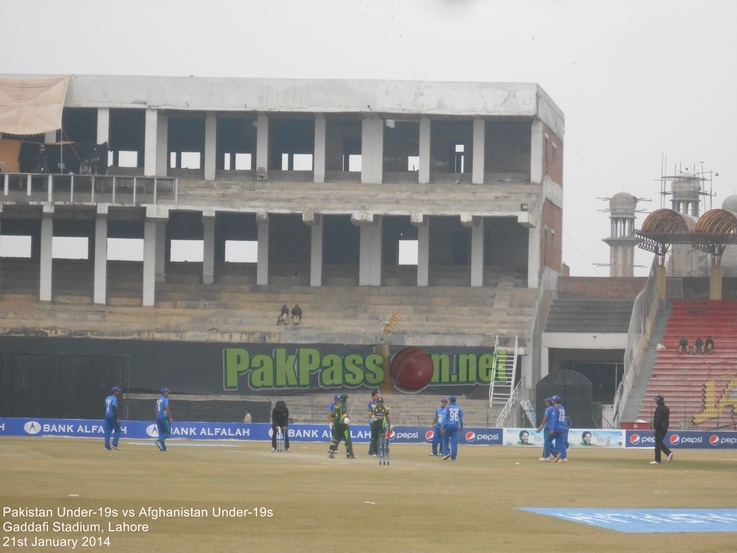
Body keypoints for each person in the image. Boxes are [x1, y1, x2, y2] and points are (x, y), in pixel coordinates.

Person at [328, 394, 356, 459]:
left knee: (336, 438)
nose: (346, 400)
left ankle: (330, 452)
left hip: (336, 424)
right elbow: (344, 413)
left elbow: (332, 415)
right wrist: (346, 419)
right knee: (347, 438)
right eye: (346, 399)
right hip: (343, 424)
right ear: (344, 400)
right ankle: (350, 454)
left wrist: (332, 422)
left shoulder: (336, 405)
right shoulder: (342, 405)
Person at [651, 394, 673, 465]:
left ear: (658, 401)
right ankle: (666, 455)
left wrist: (655, 429)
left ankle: (661, 457)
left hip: (660, 428)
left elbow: (657, 420)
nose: (656, 402)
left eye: (656, 401)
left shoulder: (659, 409)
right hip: (665, 427)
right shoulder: (666, 408)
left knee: (658, 443)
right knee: (659, 442)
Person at [441, 395, 463, 462]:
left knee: (445, 440)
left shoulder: (447, 408)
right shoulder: (459, 408)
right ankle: (454, 457)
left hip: (448, 425)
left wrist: (442, 426)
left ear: (450, 401)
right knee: (454, 442)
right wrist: (461, 427)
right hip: (455, 426)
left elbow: (444, 418)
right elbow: (461, 419)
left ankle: (447, 453)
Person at [537, 397, 559, 461]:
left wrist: (542, 425)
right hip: (555, 427)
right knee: (549, 442)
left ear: (548, 402)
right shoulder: (555, 409)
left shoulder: (548, 409)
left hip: (548, 427)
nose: (545, 403)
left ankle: (547, 456)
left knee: (547, 442)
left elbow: (545, 417)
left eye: (546, 401)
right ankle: (556, 454)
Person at [551, 395, 569, 463]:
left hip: (556, 427)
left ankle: (556, 454)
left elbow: (554, 419)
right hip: (562, 427)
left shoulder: (555, 409)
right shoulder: (562, 408)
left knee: (548, 441)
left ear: (555, 401)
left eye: (553, 400)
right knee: (562, 443)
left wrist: (552, 429)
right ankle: (564, 458)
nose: (552, 401)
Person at [104, 386, 122, 450]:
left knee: (107, 431)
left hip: (107, 414)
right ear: (114, 392)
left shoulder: (107, 398)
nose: (118, 393)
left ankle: (107, 446)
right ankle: (115, 444)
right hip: (112, 415)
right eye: (117, 391)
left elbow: (105, 406)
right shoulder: (114, 398)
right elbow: (114, 407)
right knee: (118, 430)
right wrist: (117, 417)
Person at [367, 390, 379, 455]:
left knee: (375, 436)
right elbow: (370, 413)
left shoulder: (375, 402)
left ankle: (372, 450)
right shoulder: (371, 403)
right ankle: (371, 450)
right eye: (376, 395)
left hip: (376, 421)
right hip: (372, 421)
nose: (377, 397)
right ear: (373, 396)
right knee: (373, 436)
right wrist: (373, 418)